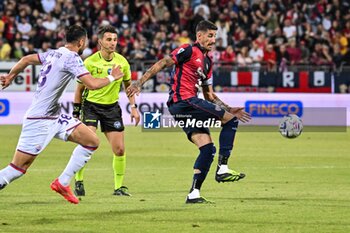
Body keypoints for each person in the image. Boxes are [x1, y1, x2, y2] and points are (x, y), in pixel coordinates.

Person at [126, 20, 251, 204]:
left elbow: (208, 94)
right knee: (231, 121)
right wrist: (139, 82)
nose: (213, 40)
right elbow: (163, 62)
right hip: (184, 101)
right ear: (199, 36)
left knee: (207, 149)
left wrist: (228, 108)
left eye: (215, 36)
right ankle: (223, 168)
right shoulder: (189, 50)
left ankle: (193, 194)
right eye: (209, 35)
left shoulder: (208, 62)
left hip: (186, 107)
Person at [0, 25, 124, 204]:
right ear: (81, 42)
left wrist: (11, 76)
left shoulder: (53, 53)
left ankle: (62, 182)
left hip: (55, 117)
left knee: (92, 141)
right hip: (39, 120)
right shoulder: (72, 58)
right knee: (17, 169)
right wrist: (113, 77)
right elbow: (92, 84)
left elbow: (26, 59)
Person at [72, 25, 140, 197]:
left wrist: (133, 107)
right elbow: (79, 90)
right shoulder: (90, 62)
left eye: (115, 39)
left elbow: (128, 88)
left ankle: (119, 187)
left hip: (112, 108)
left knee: (119, 150)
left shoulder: (122, 62)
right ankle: (79, 181)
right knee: (88, 144)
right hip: (91, 107)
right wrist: (75, 112)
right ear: (100, 41)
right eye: (109, 39)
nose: (113, 43)